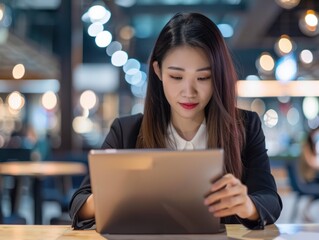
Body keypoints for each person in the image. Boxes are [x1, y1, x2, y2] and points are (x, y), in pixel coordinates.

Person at [69, 12, 282, 230]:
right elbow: (78, 204)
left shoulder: (245, 126)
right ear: (158, 71)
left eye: (203, 78)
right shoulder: (126, 131)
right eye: (176, 77)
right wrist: (110, 197)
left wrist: (246, 205)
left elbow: (270, 200)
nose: (188, 92)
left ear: (218, 76)